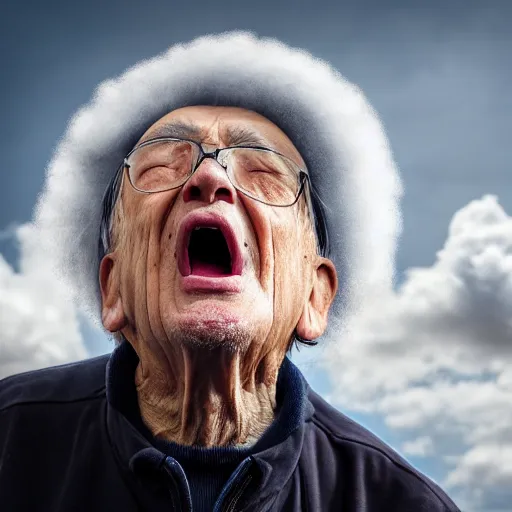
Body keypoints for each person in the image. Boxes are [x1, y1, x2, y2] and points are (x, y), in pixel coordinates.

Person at [0, 33, 460, 511]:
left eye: (263, 171)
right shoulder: (10, 444)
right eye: (161, 165)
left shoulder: (399, 502)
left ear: (315, 298)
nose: (210, 178)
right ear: (111, 288)